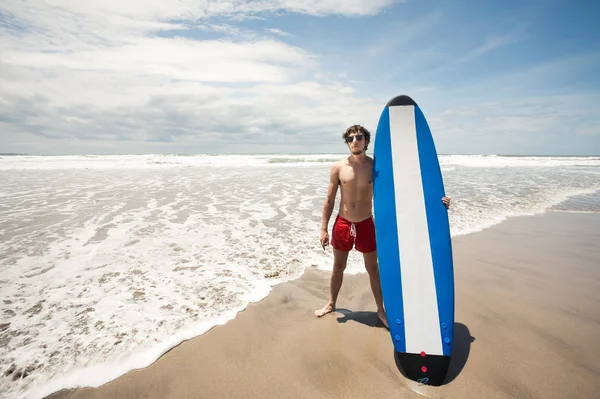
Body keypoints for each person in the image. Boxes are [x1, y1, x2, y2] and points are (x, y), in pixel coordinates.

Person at [314, 124, 451, 328]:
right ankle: (331, 303)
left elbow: (404, 187)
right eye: (350, 138)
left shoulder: (376, 167)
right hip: (343, 223)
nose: (354, 141)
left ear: (366, 141)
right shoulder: (338, 168)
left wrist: (436, 201)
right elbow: (329, 199)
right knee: (338, 266)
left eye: (359, 137)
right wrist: (324, 228)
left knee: (373, 268)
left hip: (366, 224)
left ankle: (381, 310)